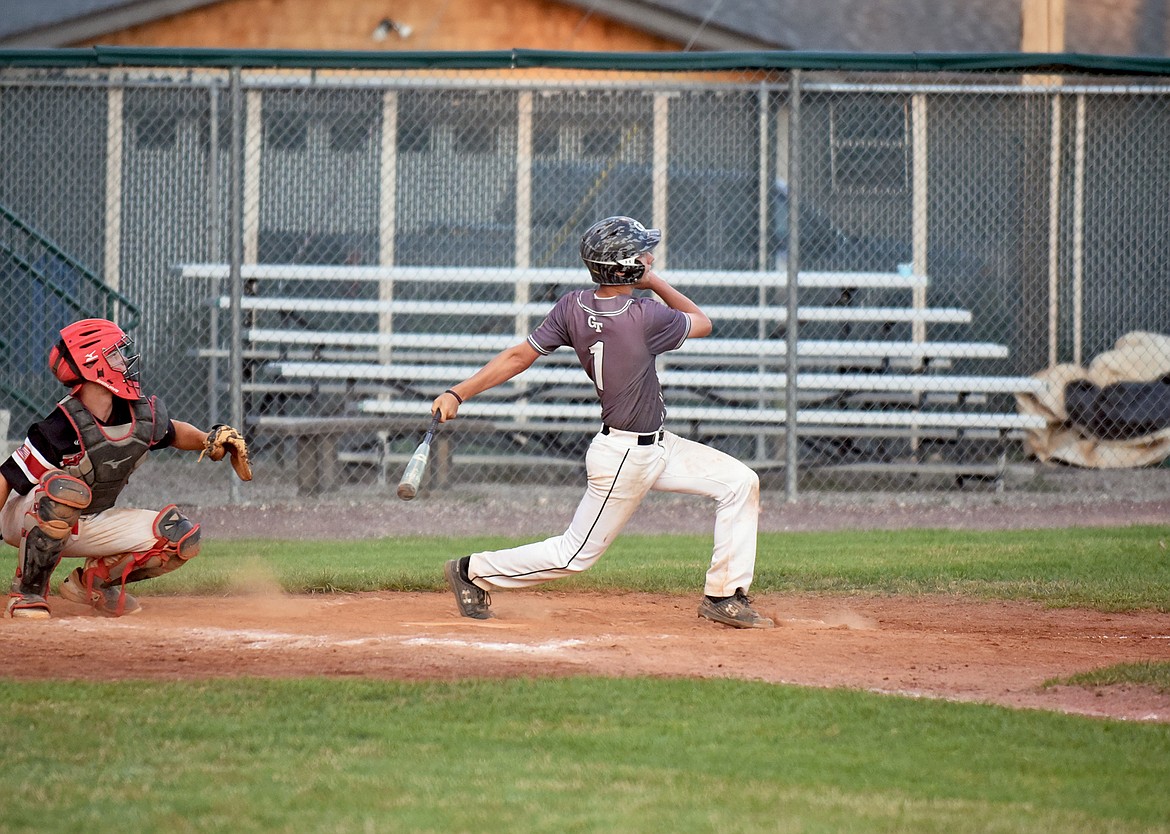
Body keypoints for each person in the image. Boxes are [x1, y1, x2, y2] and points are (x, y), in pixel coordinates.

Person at [433, 216, 772, 629]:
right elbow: (702, 322)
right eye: (643, 254)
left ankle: (723, 596)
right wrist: (657, 282)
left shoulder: (572, 306)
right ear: (627, 267)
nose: (649, 257)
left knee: (740, 482)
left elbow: (519, 356)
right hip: (623, 457)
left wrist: (458, 392)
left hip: (658, 446)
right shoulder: (643, 316)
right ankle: (472, 571)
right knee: (574, 555)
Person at [2, 318, 250, 619]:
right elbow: (7, 477)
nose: (124, 361)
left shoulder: (137, 414)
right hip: (28, 519)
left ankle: (91, 583)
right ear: (94, 365)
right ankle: (27, 592)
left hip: (91, 519)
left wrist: (207, 441)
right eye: (115, 355)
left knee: (177, 537)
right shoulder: (60, 426)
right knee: (64, 492)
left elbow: (172, 432)